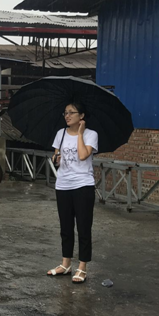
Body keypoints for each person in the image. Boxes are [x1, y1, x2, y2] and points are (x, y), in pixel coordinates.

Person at [47, 102, 98, 284]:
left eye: (71, 112)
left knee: (83, 227)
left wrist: (80, 134)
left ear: (81, 116)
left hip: (83, 185)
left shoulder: (91, 134)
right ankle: (66, 264)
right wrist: (56, 158)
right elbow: (56, 157)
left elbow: (83, 155)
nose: (67, 116)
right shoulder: (60, 134)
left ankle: (82, 267)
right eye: (65, 113)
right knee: (66, 228)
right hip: (63, 185)